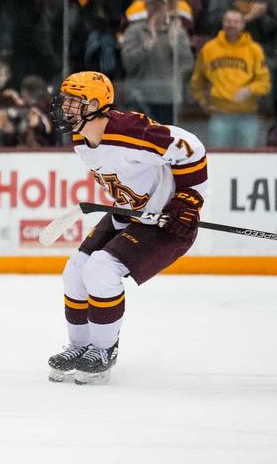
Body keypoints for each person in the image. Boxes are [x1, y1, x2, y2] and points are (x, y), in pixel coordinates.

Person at [47, 71, 208, 384]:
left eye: (73, 101)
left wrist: (188, 199)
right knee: (75, 271)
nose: (64, 107)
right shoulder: (81, 138)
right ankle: (81, 346)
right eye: (65, 99)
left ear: (95, 104)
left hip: (168, 220)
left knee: (101, 270)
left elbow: (190, 146)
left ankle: (104, 350)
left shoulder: (131, 132)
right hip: (131, 212)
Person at [189, 9, 271, 148]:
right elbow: (198, 80)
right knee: (218, 159)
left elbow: (264, 82)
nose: (231, 25)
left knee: (248, 160)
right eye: (228, 21)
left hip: (247, 116)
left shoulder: (254, 50)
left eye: (236, 22)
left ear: (243, 25)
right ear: (223, 23)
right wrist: (203, 101)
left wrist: (249, 90)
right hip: (220, 116)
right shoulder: (210, 48)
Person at [119, 0, 194, 122]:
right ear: (146, 7)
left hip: (168, 97)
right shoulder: (134, 31)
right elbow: (128, 64)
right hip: (140, 97)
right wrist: (147, 44)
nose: (156, 9)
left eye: (160, 5)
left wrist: (173, 44)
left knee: (165, 139)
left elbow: (188, 64)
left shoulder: (177, 31)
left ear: (167, 7)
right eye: (152, 5)